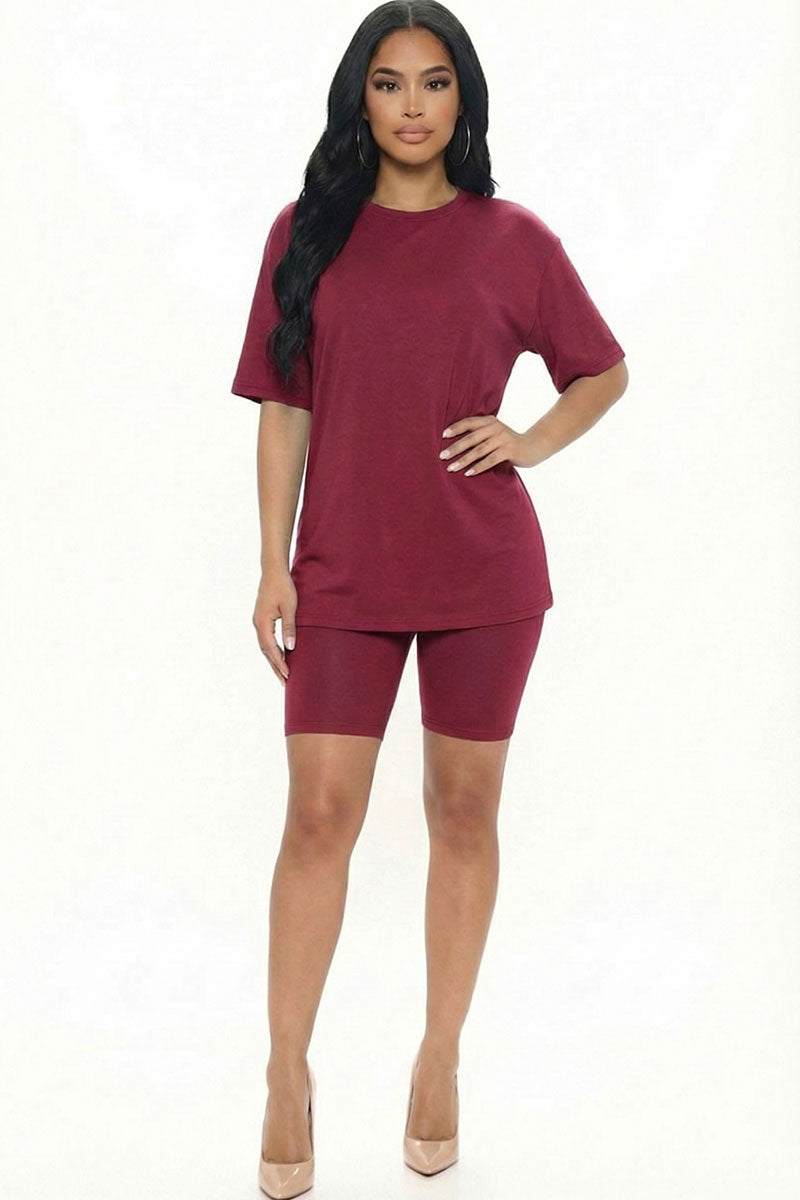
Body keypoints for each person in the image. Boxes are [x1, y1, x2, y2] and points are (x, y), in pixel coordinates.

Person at [230, 3, 628, 1196]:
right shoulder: (306, 233)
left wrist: (527, 440)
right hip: (342, 569)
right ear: (360, 98)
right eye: (390, 82)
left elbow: (601, 370)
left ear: (464, 100)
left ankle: (437, 1056)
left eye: (435, 82)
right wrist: (271, 562)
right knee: (317, 818)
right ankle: (285, 1071)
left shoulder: (513, 240)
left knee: (461, 813)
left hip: (480, 573)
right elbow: (283, 407)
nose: (412, 105)